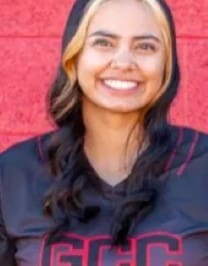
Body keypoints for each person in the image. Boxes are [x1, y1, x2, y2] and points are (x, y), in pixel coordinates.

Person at [0, 0, 208, 265]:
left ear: (166, 65)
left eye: (145, 47)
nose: (123, 62)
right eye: (104, 43)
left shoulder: (203, 166)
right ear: (73, 57)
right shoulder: (12, 175)